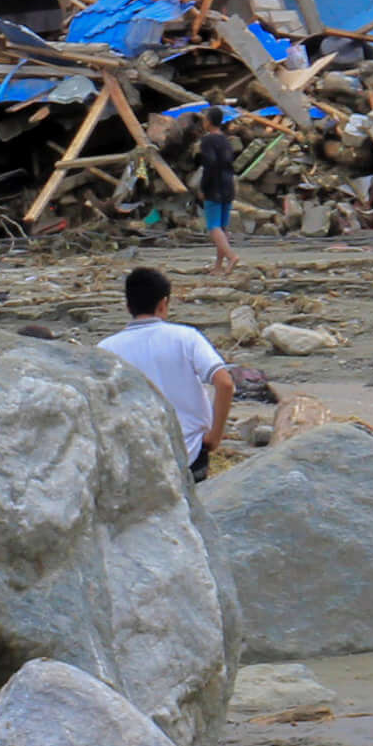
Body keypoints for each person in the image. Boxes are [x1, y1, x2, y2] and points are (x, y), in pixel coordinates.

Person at [101, 266, 232, 478]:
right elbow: (225, 383)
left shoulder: (106, 349)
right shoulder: (186, 337)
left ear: (127, 306)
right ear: (163, 304)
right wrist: (215, 436)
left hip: (136, 456)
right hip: (190, 452)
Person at [196, 117, 240, 274]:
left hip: (214, 186)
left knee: (213, 226)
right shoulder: (226, 140)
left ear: (208, 122)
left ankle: (231, 256)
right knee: (222, 227)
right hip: (228, 184)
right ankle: (218, 266)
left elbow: (210, 164)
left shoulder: (208, 141)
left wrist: (203, 187)